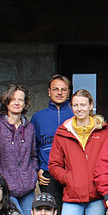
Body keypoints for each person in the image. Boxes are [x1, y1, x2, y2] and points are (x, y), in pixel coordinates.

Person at [48, 89, 108, 215]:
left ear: (91, 105)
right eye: (75, 105)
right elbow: (53, 165)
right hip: (72, 196)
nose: (79, 108)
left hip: (96, 197)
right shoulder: (63, 132)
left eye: (83, 105)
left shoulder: (103, 131)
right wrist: (69, 178)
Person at [0, 83, 38, 215]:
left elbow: (33, 155)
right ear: (6, 101)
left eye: (21, 99)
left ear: (25, 104)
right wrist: (1, 180)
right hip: (7, 189)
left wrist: (32, 175)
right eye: (13, 99)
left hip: (28, 189)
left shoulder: (29, 127)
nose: (17, 102)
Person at [32, 75, 73, 207]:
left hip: (72, 172)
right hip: (48, 174)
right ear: (49, 92)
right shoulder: (38, 117)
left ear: (69, 92)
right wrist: (37, 169)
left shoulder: (76, 114)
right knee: (52, 214)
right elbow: (33, 147)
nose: (59, 93)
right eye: (55, 89)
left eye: (63, 89)